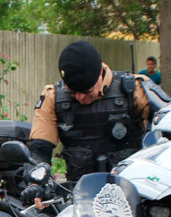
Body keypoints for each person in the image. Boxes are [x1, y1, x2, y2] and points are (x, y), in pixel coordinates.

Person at [28, 41, 163, 185]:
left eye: (87, 91)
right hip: (80, 193)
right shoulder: (53, 96)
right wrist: (37, 182)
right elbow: (40, 149)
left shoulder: (135, 90)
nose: (80, 98)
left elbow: (170, 131)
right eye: (73, 92)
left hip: (133, 190)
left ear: (100, 73)